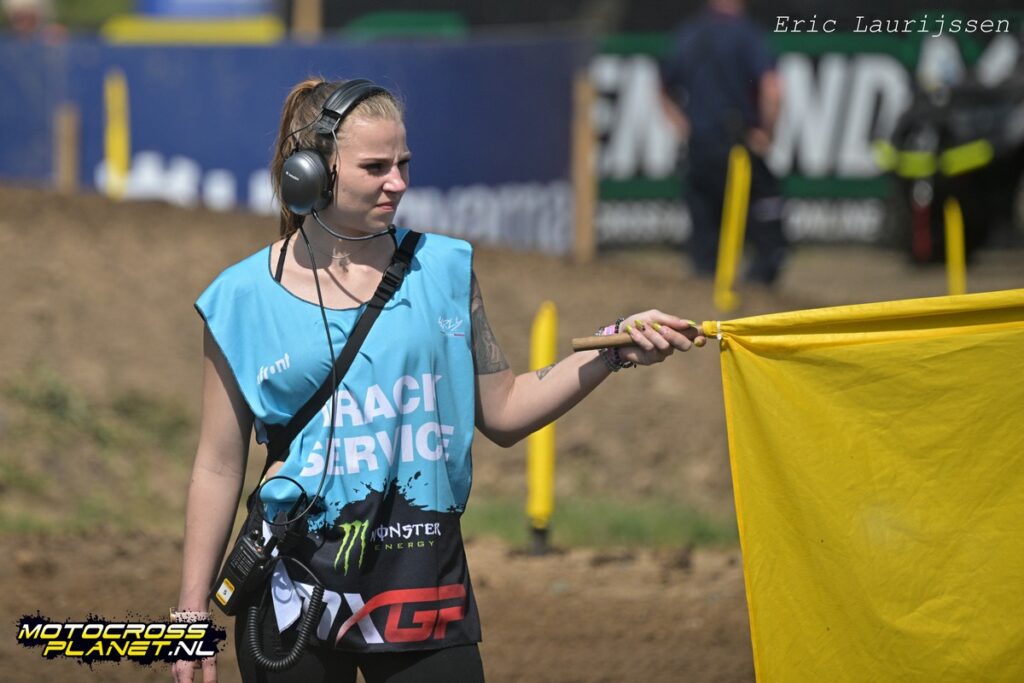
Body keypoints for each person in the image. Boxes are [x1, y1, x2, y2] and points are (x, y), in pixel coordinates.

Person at [172, 77, 707, 683]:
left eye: (403, 163)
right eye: (375, 167)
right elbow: (217, 466)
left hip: (423, 596)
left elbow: (504, 410)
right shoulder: (239, 299)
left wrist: (614, 350)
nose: (398, 182)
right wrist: (190, 614)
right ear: (312, 172)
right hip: (291, 603)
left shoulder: (445, 270)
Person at [659, 0, 787, 285]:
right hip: (739, 146)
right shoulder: (748, 34)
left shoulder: (688, 33)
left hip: (700, 149)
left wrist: (686, 128)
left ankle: (706, 282)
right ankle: (758, 282)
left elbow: (663, 89)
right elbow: (772, 89)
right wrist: (766, 132)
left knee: (705, 229)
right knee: (764, 211)